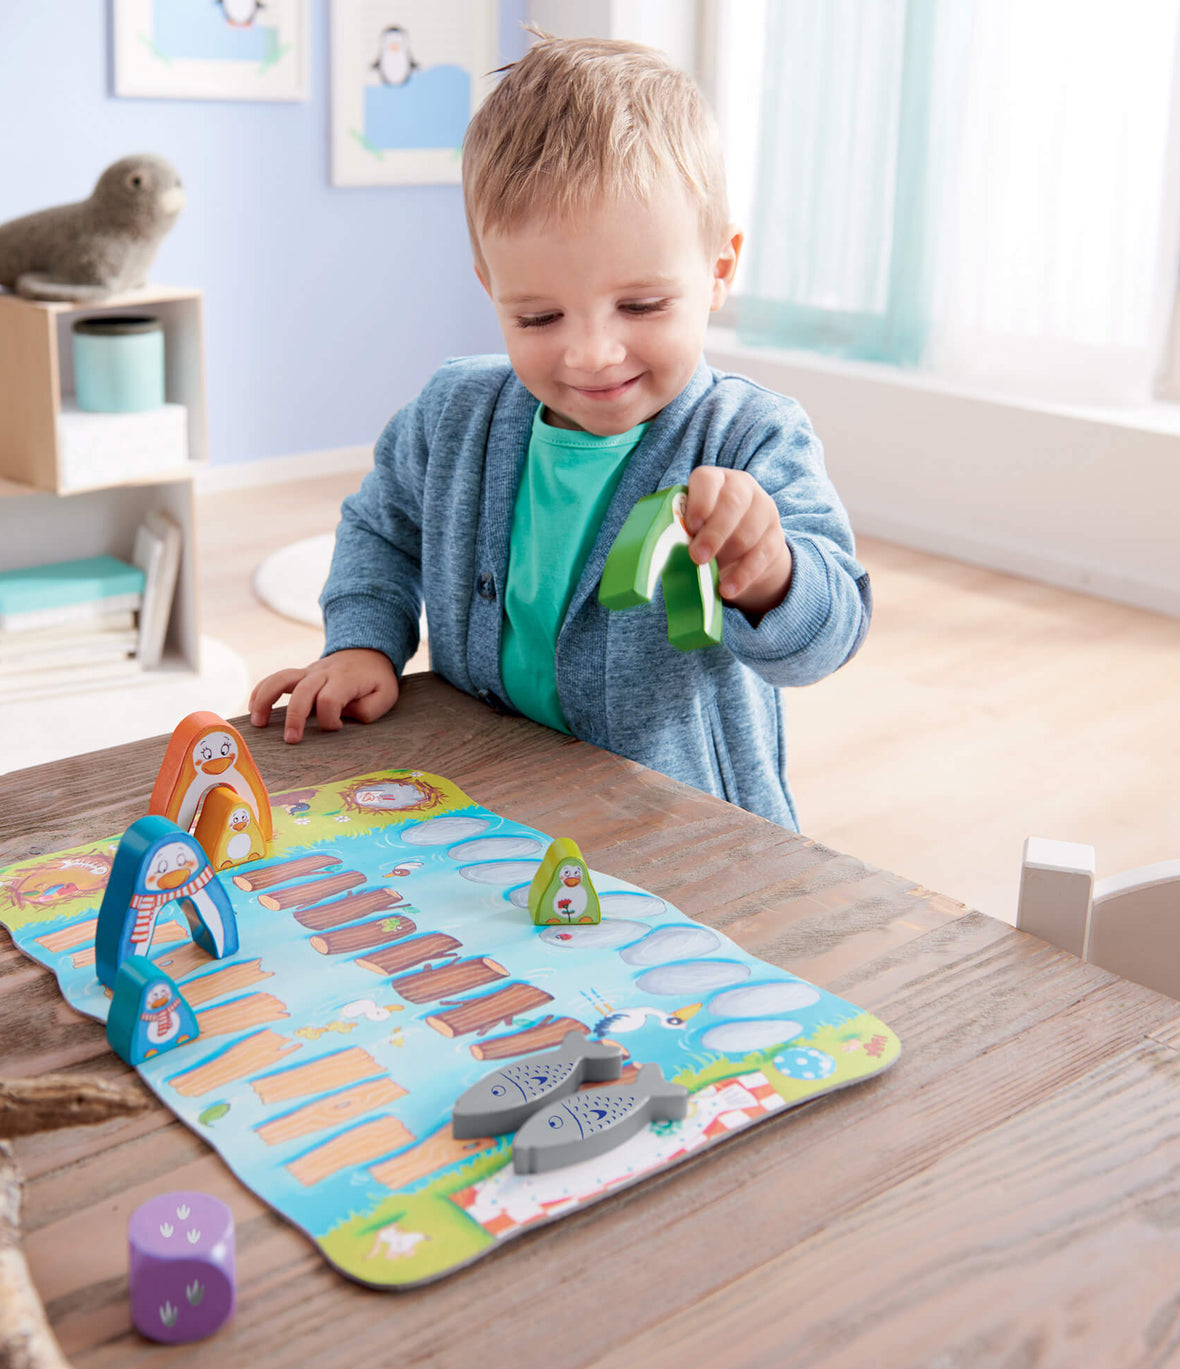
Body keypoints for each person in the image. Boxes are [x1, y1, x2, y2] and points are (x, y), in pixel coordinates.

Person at [250, 32, 870, 831]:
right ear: (490, 287)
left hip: (683, 831)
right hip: (488, 801)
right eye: (537, 316)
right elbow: (381, 527)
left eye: (641, 306)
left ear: (719, 270)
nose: (590, 354)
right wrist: (362, 643)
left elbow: (828, 638)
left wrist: (772, 573)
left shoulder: (752, 436)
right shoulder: (452, 414)